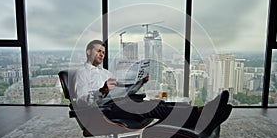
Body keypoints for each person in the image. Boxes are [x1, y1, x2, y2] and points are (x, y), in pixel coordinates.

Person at [70, 39, 229, 129]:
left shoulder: (105, 73)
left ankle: (200, 111)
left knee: (158, 103)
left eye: (103, 52)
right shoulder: (82, 73)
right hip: (104, 110)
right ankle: (200, 117)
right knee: (153, 107)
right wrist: (102, 91)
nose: (101, 54)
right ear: (88, 52)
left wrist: (139, 82)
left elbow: (124, 90)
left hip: (120, 102)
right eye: (98, 51)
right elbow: (81, 100)